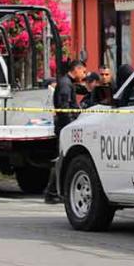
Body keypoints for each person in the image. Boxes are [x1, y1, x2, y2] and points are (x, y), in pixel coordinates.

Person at [44, 60, 87, 204]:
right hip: (65, 127)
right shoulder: (65, 84)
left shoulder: (68, 83)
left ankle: (53, 191)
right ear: (76, 69)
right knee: (62, 159)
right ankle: (52, 192)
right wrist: (71, 126)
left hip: (66, 125)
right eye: (83, 72)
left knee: (62, 158)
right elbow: (64, 108)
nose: (84, 75)